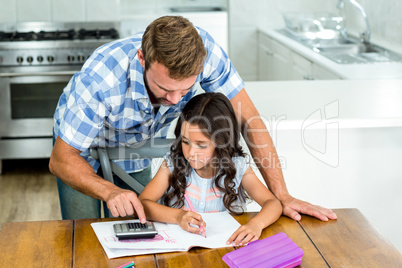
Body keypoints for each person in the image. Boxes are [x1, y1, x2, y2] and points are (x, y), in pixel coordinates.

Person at [49, 15, 337, 222]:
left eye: (185, 89)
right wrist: (109, 191)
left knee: (134, 227)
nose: (175, 100)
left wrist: (283, 195)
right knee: (81, 233)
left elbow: (250, 121)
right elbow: (62, 158)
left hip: (133, 144)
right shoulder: (100, 80)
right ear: (142, 58)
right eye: (163, 88)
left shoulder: (208, 54)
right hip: (79, 147)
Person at [139, 92, 282, 245]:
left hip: (226, 250)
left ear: (222, 143)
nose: (191, 153)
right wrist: (178, 216)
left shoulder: (238, 167)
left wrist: (256, 225)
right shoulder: (172, 164)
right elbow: (143, 204)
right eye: (186, 142)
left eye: (201, 145)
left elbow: (273, 204)